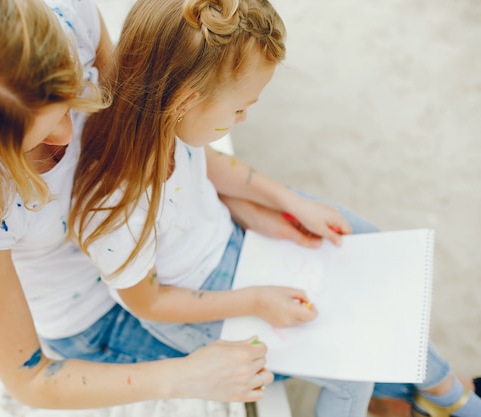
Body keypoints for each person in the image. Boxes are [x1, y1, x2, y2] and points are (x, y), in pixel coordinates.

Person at [68, 0, 481, 416]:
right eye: (240, 107)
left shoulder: (166, 125)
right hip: (199, 305)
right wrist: (255, 300)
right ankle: (446, 395)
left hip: (232, 246)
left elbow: (211, 165)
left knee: (359, 242)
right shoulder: (118, 208)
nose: (244, 118)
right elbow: (149, 303)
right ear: (185, 103)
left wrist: (292, 203)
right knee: (351, 367)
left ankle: (439, 389)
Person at [0, 0, 273, 409]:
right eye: (37, 138)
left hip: (160, 246)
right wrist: (184, 377)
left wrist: (249, 197)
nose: (69, 136)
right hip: (93, 318)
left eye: (72, 100)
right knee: (275, 355)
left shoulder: (70, 18)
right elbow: (31, 378)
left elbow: (149, 133)